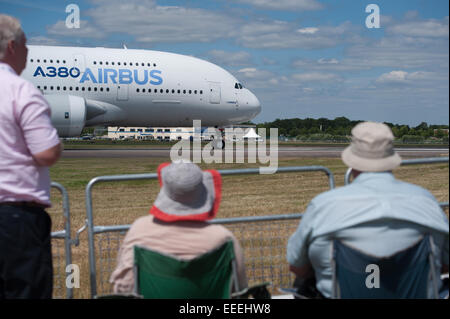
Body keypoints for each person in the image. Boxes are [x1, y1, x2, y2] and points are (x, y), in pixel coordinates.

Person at [287, 121, 449, 298]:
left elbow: (297, 267)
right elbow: (444, 264)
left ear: (352, 162)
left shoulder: (324, 205)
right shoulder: (426, 202)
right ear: (391, 160)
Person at [110, 161, 248, 294]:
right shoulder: (223, 239)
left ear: (165, 189)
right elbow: (239, 289)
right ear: (204, 192)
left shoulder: (139, 230)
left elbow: (123, 287)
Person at [0, 14, 61, 299]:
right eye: (26, 44)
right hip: (14, 217)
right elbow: (46, 153)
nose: (28, 52)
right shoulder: (21, 91)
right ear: (12, 47)